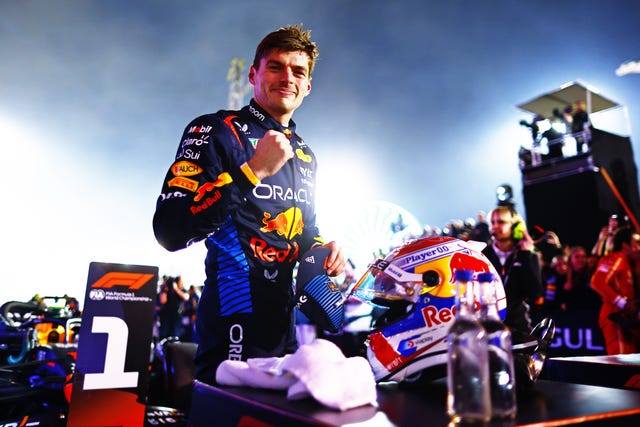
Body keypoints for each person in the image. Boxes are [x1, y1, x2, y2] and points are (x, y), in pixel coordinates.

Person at [153, 24, 345, 385]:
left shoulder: (305, 154)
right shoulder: (214, 130)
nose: (287, 77)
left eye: (298, 71)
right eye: (275, 67)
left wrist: (324, 250)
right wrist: (253, 170)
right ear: (254, 75)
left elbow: (306, 232)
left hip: (284, 326)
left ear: (307, 86)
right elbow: (170, 230)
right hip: (232, 319)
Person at [482, 206, 544, 342]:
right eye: (492, 222)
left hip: (518, 327)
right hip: (487, 327)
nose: (494, 227)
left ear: (516, 227)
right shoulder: (482, 254)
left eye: (501, 222)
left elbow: (535, 292)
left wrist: (526, 254)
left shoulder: (527, 255)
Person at [590, 226, 640, 354]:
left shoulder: (631, 263)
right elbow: (597, 282)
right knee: (621, 364)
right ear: (625, 245)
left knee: (631, 364)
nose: (639, 248)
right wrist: (622, 303)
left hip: (628, 319)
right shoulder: (615, 258)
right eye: (637, 243)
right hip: (615, 317)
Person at [157, 276, 189, 340]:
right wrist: (165, 290)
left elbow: (186, 297)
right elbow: (163, 301)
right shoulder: (167, 290)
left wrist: (176, 289)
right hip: (166, 316)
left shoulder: (182, 290)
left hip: (177, 316)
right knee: (164, 334)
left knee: (175, 335)